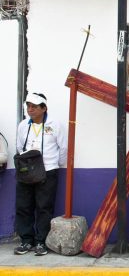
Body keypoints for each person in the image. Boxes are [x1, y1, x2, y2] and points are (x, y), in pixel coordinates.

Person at [14, 93, 67, 256]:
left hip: (48, 171)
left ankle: (41, 242)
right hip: (26, 172)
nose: (30, 109)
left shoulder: (55, 124)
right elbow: (18, 146)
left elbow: (63, 147)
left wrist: (54, 165)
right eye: (28, 106)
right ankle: (26, 241)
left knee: (44, 207)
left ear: (44, 108)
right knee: (23, 206)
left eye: (34, 107)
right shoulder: (23, 125)